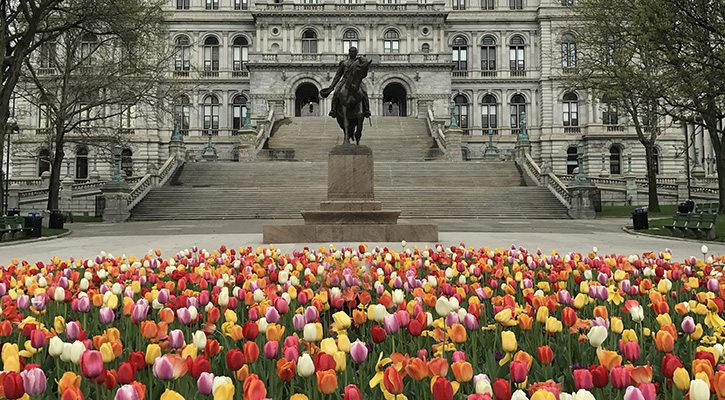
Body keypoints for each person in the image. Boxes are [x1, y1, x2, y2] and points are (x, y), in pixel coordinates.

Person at [320, 47, 371, 118]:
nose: (352, 53)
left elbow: (364, 72)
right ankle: (333, 110)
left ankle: (367, 110)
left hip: (357, 81)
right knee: (336, 92)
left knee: (364, 92)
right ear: (349, 53)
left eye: (354, 52)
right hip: (345, 80)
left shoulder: (359, 62)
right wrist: (331, 87)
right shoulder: (344, 63)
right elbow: (338, 76)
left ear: (356, 53)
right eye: (351, 51)